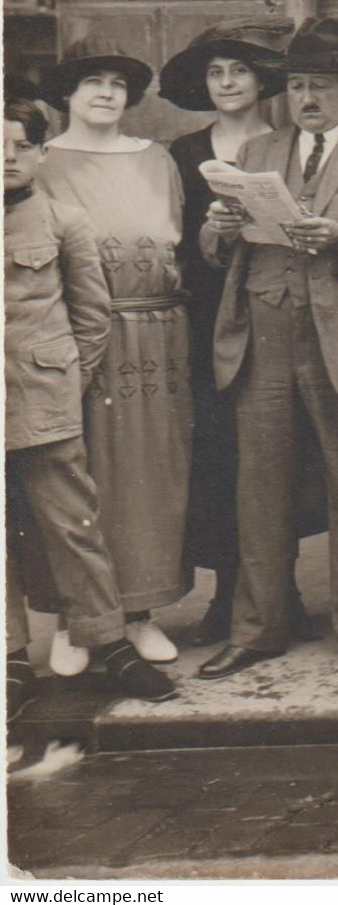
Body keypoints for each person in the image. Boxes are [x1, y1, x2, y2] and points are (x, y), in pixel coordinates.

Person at [197, 17, 338, 680]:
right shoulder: (259, 153)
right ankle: (258, 629)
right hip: (263, 331)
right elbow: (216, 253)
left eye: (321, 85)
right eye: (297, 86)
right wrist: (218, 227)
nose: (307, 99)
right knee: (258, 489)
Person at [5, 96, 178, 710]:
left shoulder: (63, 220)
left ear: (39, 152)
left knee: (74, 525)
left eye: (21, 145)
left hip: (45, 398)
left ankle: (109, 642)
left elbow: (92, 317)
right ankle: (11, 660)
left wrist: (63, 382)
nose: (8, 157)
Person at [37, 38, 192, 670]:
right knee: (82, 478)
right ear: (66, 94)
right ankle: (79, 622)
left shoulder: (158, 159)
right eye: (91, 81)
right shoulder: (42, 162)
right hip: (83, 340)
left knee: (150, 479)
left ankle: (140, 613)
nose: (106, 93)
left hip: (159, 340)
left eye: (118, 83)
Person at [159, 15, 302, 649]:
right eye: (215, 73)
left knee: (286, 455)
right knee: (220, 455)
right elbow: (175, 248)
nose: (227, 83)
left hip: (276, 312)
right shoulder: (186, 153)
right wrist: (210, 231)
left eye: (238, 70)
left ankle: (283, 588)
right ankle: (227, 591)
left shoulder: (290, 143)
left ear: (262, 79)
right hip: (211, 315)